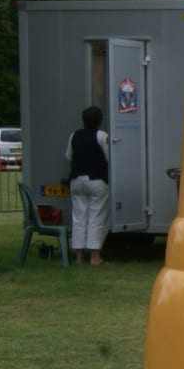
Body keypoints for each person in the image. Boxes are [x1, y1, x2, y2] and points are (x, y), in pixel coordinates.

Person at [66, 105, 110, 266]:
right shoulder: (101, 136)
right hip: (96, 180)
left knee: (78, 217)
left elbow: (68, 156)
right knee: (96, 217)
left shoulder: (74, 136)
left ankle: (78, 257)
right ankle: (95, 257)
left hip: (76, 180)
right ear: (100, 121)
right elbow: (109, 158)